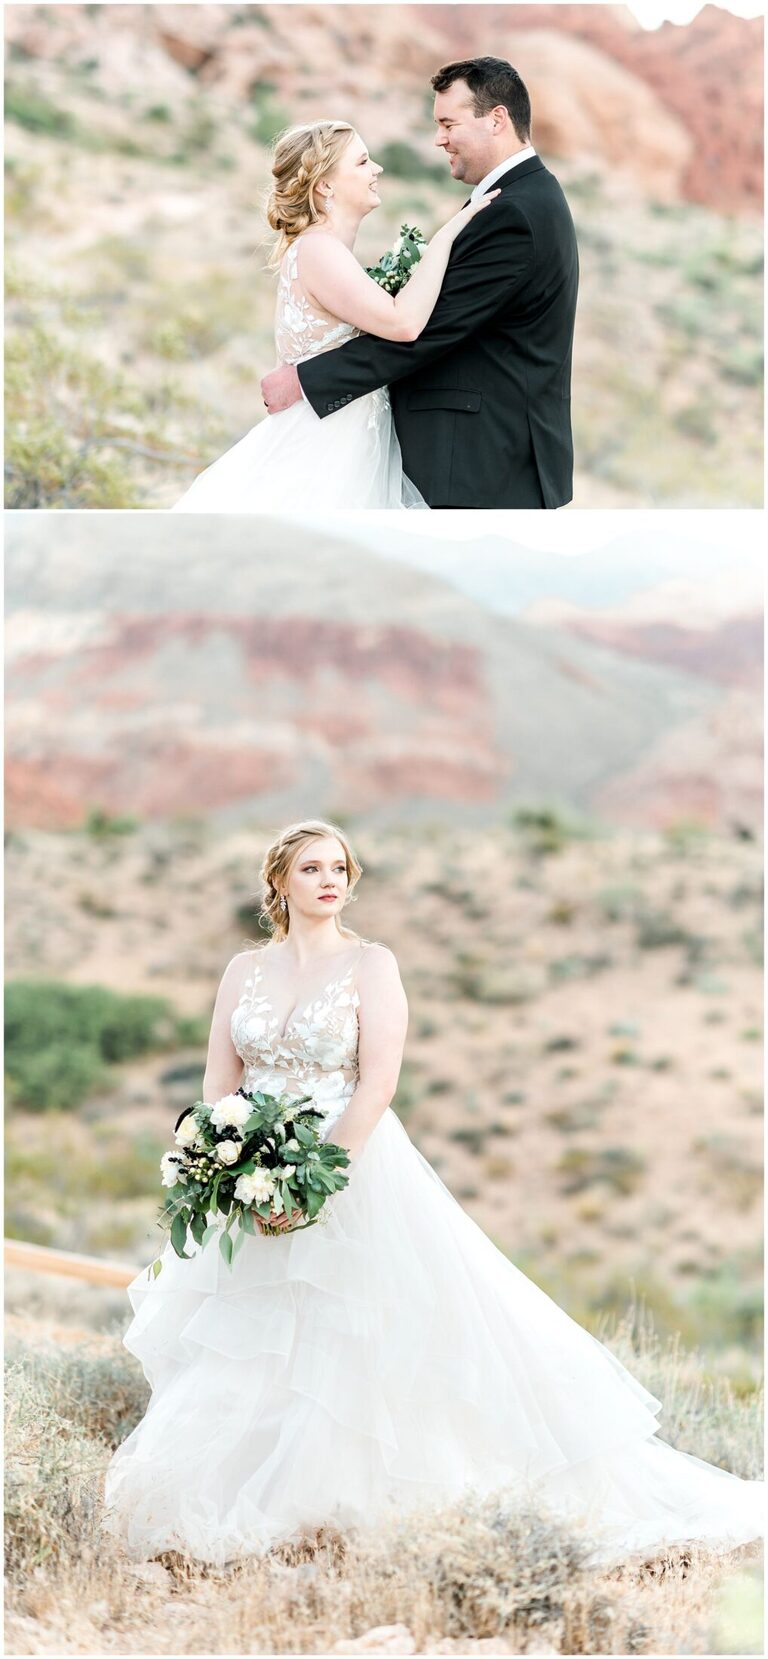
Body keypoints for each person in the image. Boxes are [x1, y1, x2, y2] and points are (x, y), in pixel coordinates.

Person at [104, 820, 763, 1567]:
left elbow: (378, 1083)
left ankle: (348, 1510)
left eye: (340, 868)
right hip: (251, 1170)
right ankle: (250, 1509)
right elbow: (219, 1082)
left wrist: (315, 1182)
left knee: (350, 1335)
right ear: (279, 881)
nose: (330, 880)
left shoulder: (372, 964)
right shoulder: (242, 970)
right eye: (312, 868)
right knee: (251, 1339)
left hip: (346, 1165)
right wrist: (232, 1164)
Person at [262, 58, 579, 508]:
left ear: (496, 119)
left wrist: (308, 381)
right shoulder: (519, 198)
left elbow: (430, 329)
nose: (439, 138)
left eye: (448, 124)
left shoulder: (515, 212)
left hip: (481, 463)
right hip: (465, 460)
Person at [171, 122, 496, 511]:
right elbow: (404, 324)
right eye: (362, 162)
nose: (377, 169)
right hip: (325, 449)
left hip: (351, 441)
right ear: (325, 185)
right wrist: (444, 238)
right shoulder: (318, 250)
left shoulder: (325, 250)